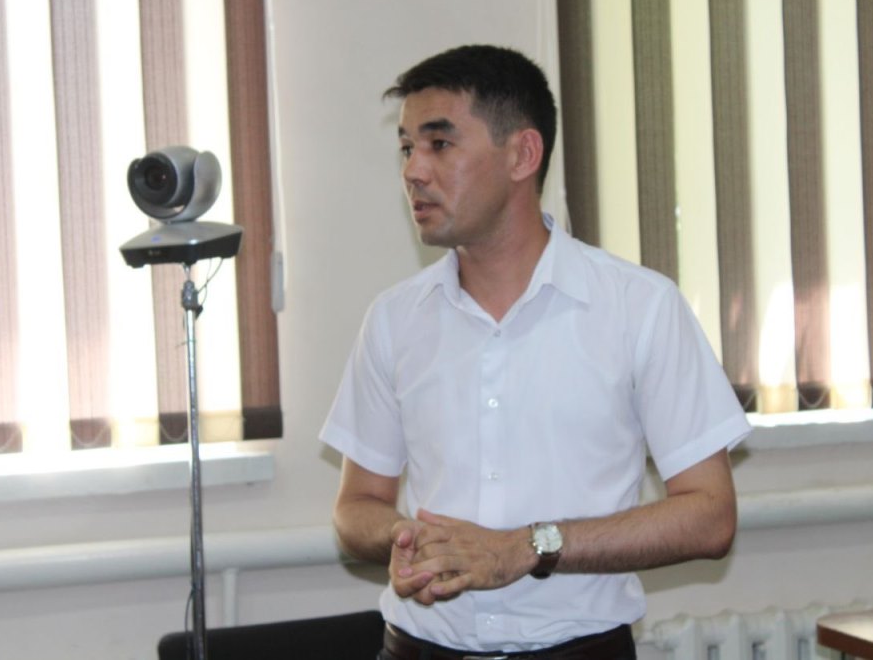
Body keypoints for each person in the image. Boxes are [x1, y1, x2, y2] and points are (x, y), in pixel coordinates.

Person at [319, 44, 751, 660]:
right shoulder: (394, 318)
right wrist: (406, 537)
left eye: (439, 144)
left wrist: (527, 547)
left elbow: (710, 516)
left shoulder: (640, 306)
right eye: (407, 148)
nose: (414, 170)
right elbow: (354, 507)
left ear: (523, 154)